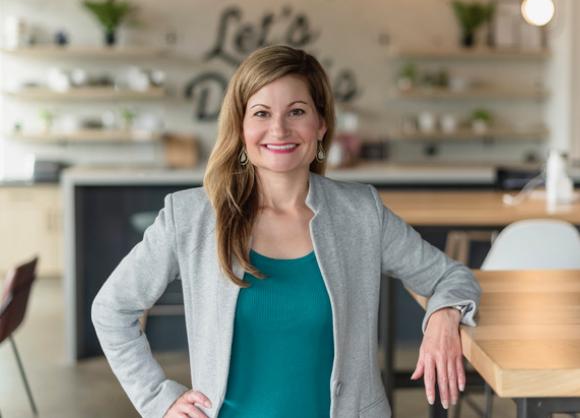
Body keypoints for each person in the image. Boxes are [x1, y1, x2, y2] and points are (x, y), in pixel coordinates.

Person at [91, 44, 481, 418]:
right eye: (261, 113)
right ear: (241, 127)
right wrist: (158, 399)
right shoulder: (191, 216)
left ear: (321, 124)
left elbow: (451, 276)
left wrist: (444, 315)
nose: (278, 129)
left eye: (296, 111)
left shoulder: (361, 212)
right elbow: (111, 310)